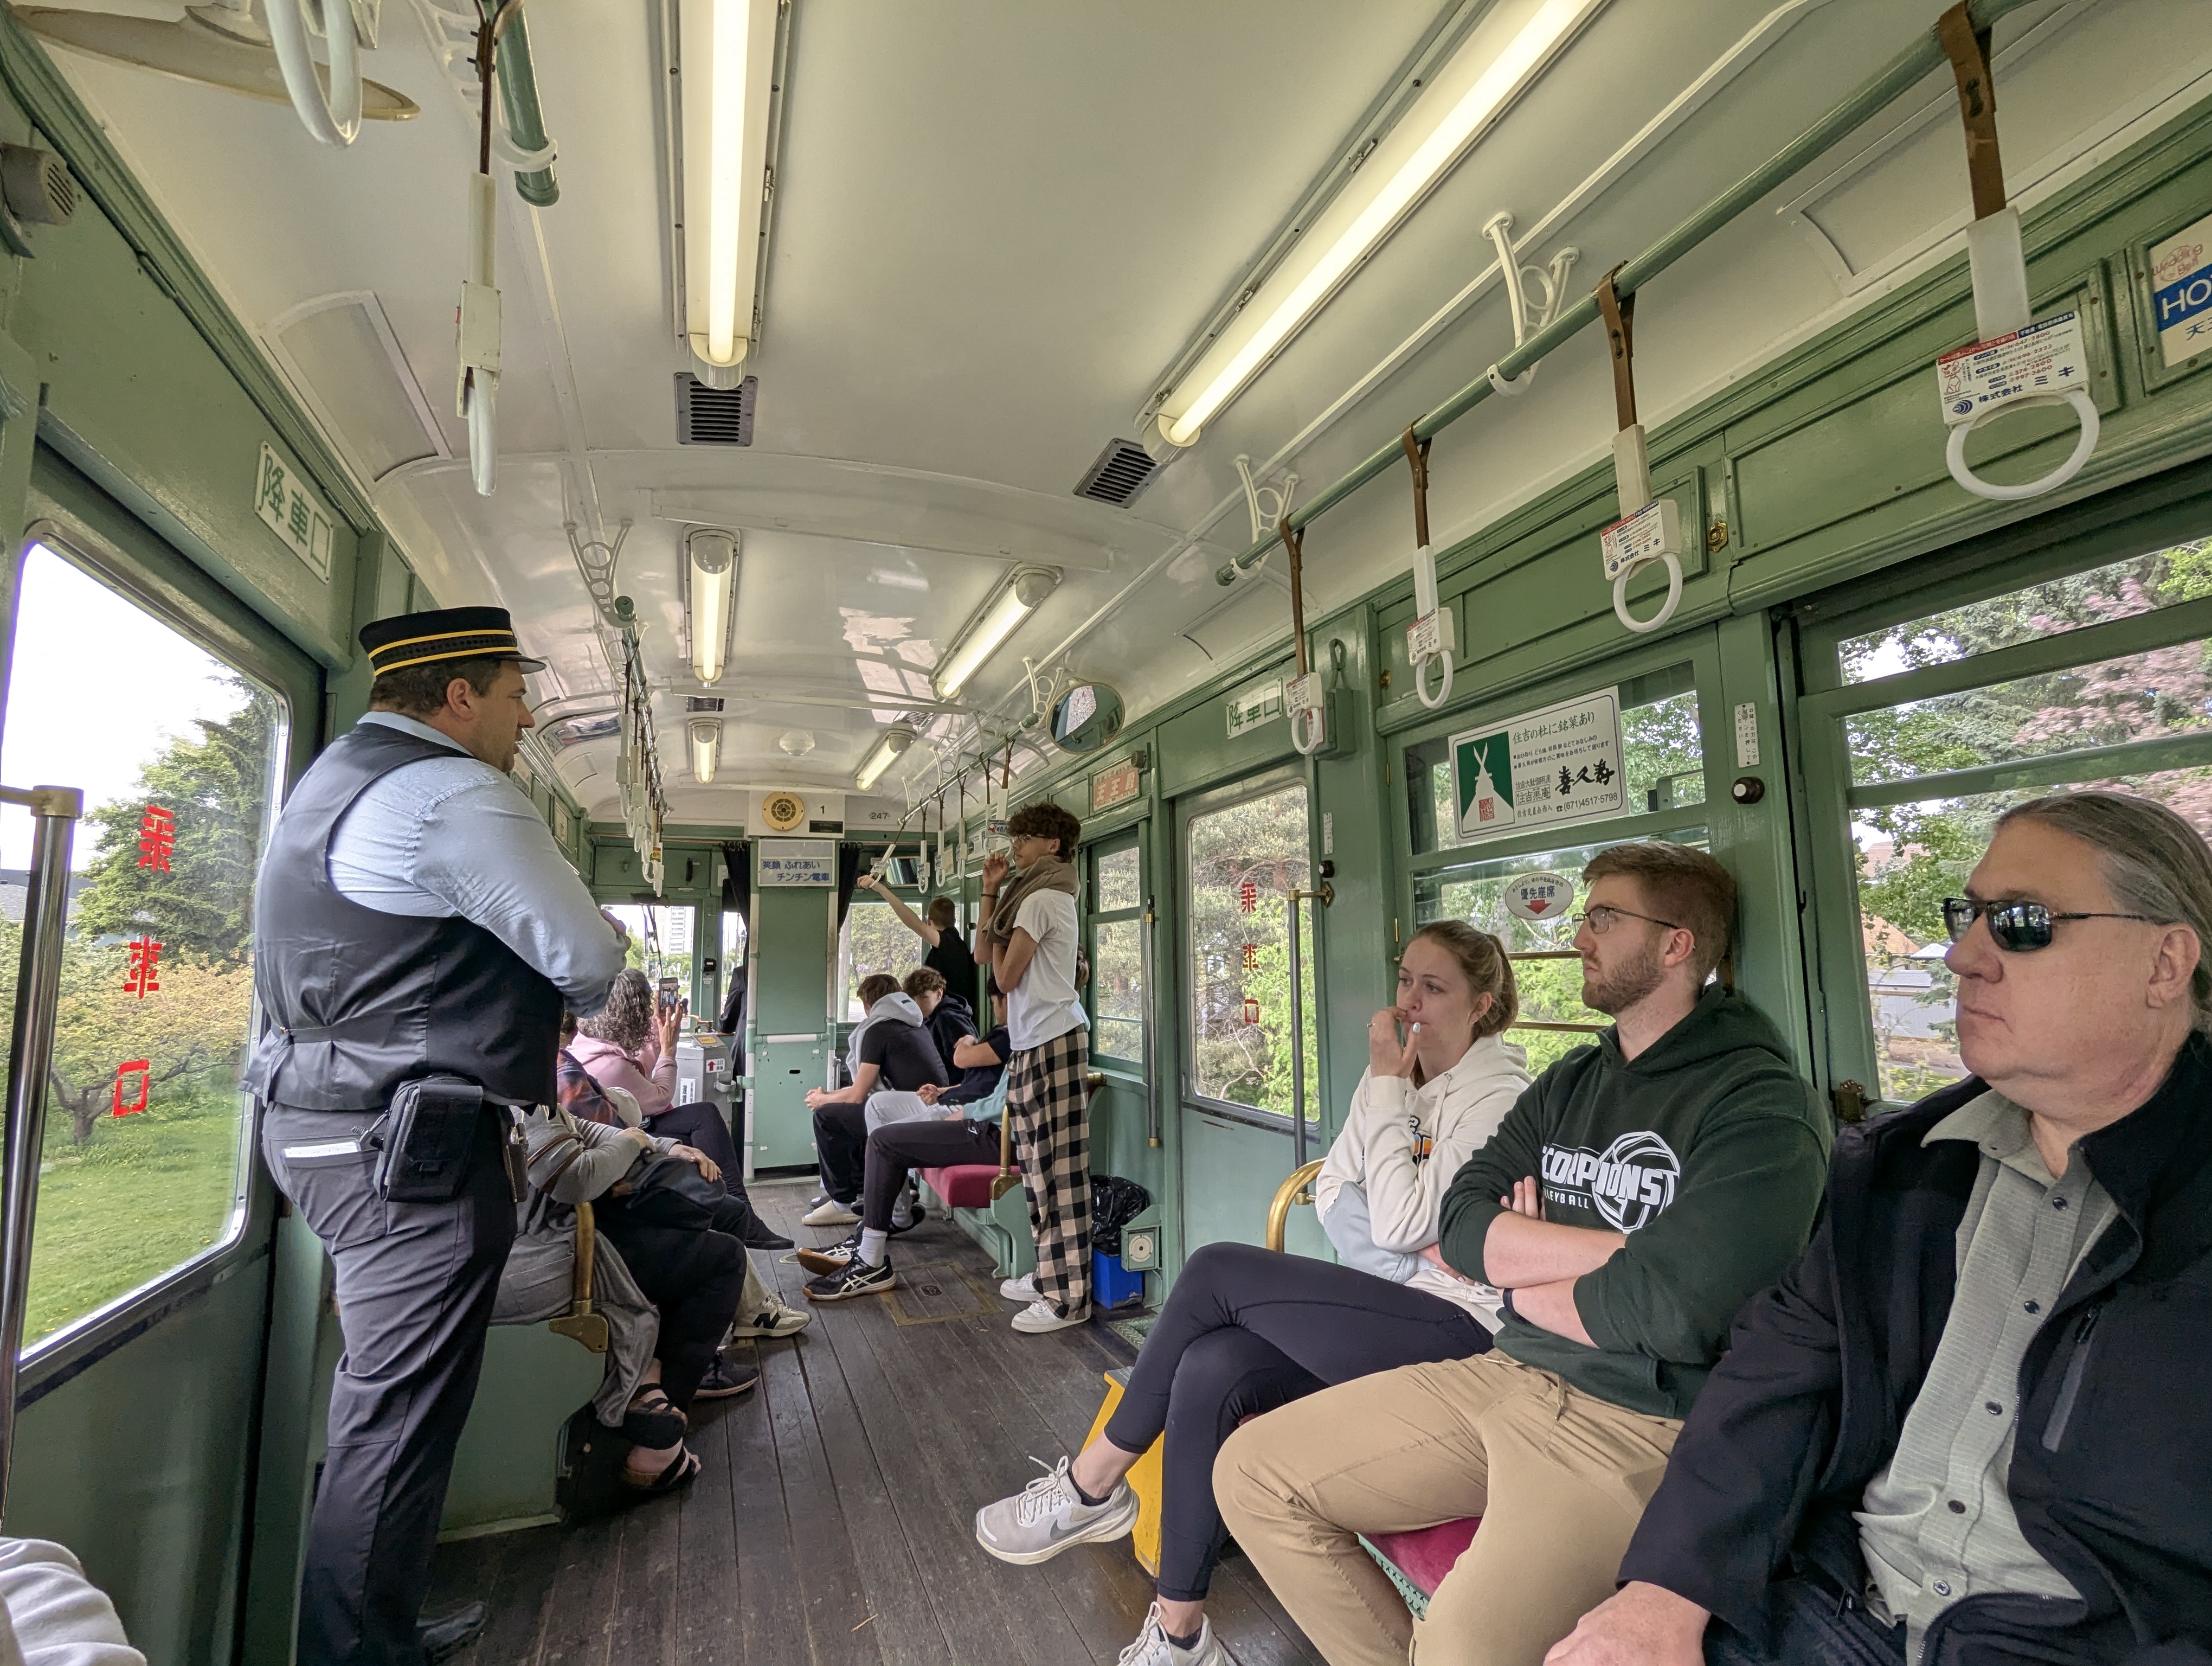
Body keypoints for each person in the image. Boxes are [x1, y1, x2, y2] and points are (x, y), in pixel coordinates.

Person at [1552, 792, 2212, 1666]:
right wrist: (1671, 1587)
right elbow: (1776, 1378)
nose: (1963, 956)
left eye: (2019, 923)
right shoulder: (1907, 1168)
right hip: (1835, 1603)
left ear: (2165, 963)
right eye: (1966, 916)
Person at [1213, 841, 1832, 1666]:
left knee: (1459, 1649)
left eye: (1605, 918)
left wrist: (1527, 1276)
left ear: (1677, 944)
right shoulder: (1572, 1081)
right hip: (1506, 1371)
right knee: (1253, 1472)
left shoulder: (1759, 1107)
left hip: (1631, 1423)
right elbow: (1465, 1222)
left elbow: (1680, 1312)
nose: (1581, 937)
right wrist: (1614, 1256)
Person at [972, 924, 1533, 1666]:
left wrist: (1402, 1205)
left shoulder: (1497, 1096)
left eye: (1435, 988)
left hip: (1466, 1331)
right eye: (1405, 980)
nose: (1412, 1002)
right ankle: (1179, 1634)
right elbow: (1335, 1191)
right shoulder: (1394, 1073)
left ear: (1484, 1004)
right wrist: (1411, 1251)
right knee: (1210, 1367)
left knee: (1214, 1271)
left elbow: (1394, 1216)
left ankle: (1093, 1483)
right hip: (1401, 1297)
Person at [244, 607, 629, 1666]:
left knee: (392, 1407)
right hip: (406, 1147)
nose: (526, 717)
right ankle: (357, 1651)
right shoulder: (453, 793)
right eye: (515, 694)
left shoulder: (332, 783)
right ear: (459, 698)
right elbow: (587, 963)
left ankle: (376, 1624)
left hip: (325, 1122)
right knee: (399, 1418)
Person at [520, 1102, 758, 1491]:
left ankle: (664, 1371)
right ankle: (662, 1433)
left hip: (570, 1225)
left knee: (726, 1211)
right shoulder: (517, 1097)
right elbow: (574, 1177)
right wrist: (634, 1139)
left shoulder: (526, 1089)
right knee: (723, 1259)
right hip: (545, 1250)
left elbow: (587, 1130)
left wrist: (663, 1145)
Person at [798, 990, 1016, 1295]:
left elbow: (999, 1102)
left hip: (993, 1131)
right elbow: (990, 1088)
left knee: (883, 1142)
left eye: (996, 1002)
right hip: (972, 1112)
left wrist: (963, 1112)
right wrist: (944, 1092)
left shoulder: (1022, 1037)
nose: (997, 1010)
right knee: (879, 1108)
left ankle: (870, 1254)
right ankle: (888, 1220)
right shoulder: (1023, 1034)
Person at [976, 802, 1094, 1334]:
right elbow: (984, 955)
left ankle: (1069, 1297)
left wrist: (1001, 917)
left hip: (1052, 1038)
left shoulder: (1045, 897)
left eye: (1028, 838)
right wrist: (990, 889)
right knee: (1036, 1166)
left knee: (1059, 1173)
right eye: (1017, 836)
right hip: (1034, 1041)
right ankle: (1049, 1275)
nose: (1017, 845)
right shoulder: (1028, 896)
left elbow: (1001, 977)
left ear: (1054, 845)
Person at [565, 977, 787, 1246]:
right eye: (645, 1008)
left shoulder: (590, 1045)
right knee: (703, 1118)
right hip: (622, 1139)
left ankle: (729, 1213)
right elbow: (659, 1098)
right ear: (632, 1013)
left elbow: (639, 1067)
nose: (648, 1012)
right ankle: (740, 1215)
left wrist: (662, 1033)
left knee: (701, 1123)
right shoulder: (612, 1066)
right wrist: (669, 1050)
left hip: (622, 1129)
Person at [802, 973, 949, 1227]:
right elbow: (865, 1088)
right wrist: (829, 1097)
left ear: (869, 1005)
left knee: (827, 1117)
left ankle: (842, 1202)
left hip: (914, 1114)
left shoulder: (877, 1030)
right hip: (931, 1106)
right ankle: (860, 1190)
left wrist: (822, 1100)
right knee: (847, 1113)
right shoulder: (913, 1023)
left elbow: (859, 1095)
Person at [857, 873, 979, 1006]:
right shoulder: (957, 947)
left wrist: (879, 887)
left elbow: (914, 924)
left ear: (929, 921)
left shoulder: (950, 944)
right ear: (954, 921)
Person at [905, 964, 976, 1079]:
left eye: (924, 997)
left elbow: (967, 1062)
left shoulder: (947, 1018)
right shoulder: (929, 1016)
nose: (918, 1005)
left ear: (939, 994)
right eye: (913, 999)